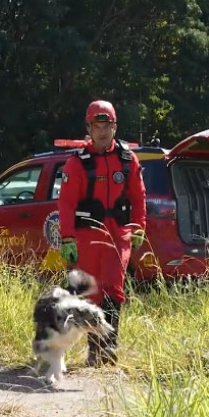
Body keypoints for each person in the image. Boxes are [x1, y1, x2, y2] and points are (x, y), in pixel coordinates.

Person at [57, 100, 147, 366]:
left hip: (117, 235)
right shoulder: (77, 163)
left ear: (114, 127)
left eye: (107, 125)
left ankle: (109, 350)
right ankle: (95, 351)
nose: (102, 131)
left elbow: (139, 197)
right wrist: (67, 238)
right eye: (97, 126)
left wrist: (140, 226)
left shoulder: (127, 160)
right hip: (87, 236)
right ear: (89, 127)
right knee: (91, 294)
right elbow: (66, 203)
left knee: (113, 291)